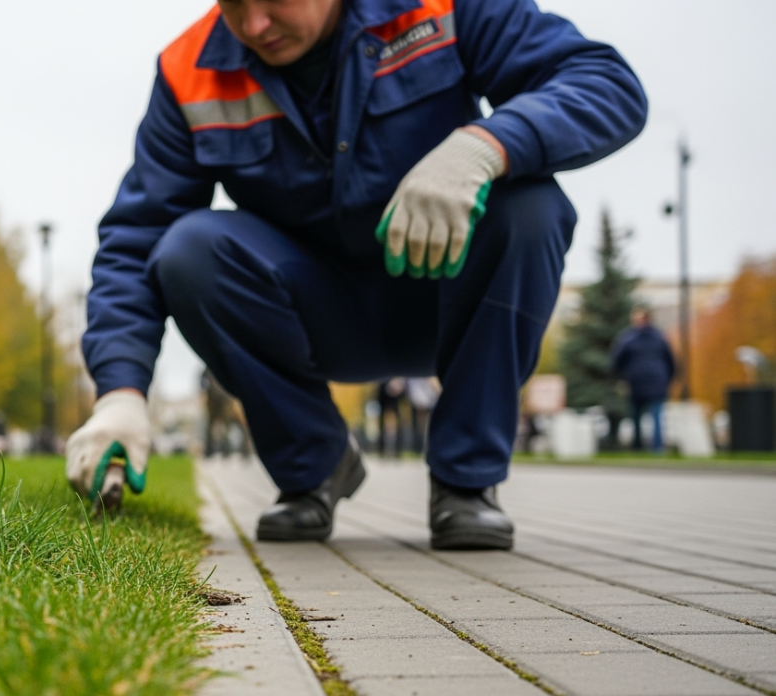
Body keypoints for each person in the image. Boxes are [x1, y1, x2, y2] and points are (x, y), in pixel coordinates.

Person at [65, 0, 647, 550]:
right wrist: (120, 391)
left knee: (531, 206)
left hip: (445, 293)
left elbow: (606, 84)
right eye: (233, 4)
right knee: (186, 248)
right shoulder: (189, 70)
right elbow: (135, 238)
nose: (255, 23)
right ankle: (314, 467)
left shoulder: (435, 6)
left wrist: (486, 145)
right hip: (318, 313)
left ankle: (466, 482)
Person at [612, 308, 676, 454]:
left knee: (637, 417)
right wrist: (668, 379)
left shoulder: (628, 338)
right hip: (657, 381)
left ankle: (638, 447)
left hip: (636, 382)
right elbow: (671, 361)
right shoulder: (660, 337)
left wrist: (620, 378)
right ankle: (657, 448)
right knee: (656, 417)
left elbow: (617, 361)